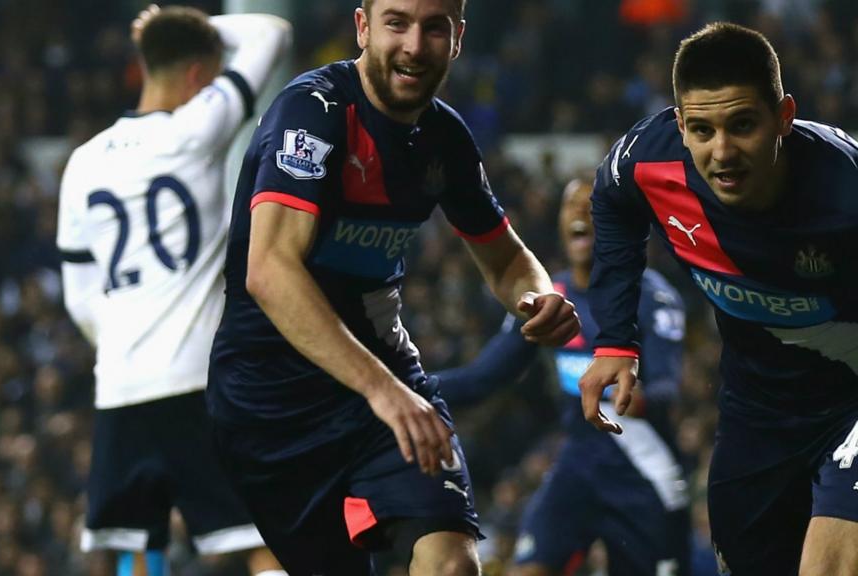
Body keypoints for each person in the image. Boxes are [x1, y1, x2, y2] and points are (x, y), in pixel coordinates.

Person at [205, 0, 580, 574]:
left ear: (457, 38)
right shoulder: (313, 111)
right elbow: (270, 271)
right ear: (363, 27)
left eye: (434, 28)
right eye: (397, 23)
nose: (414, 45)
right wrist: (381, 390)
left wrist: (537, 297)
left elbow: (506, 261)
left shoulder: (444, 138)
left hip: (387, 391)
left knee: (451, 564)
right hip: (274, 401)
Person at [580, 21, 858, 575]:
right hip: (760, 409)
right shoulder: (644, 161)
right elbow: (611, 204)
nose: (722, 152)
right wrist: (615, 340)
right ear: (680, 125)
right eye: (702, 130)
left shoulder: (845, 188)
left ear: (784, 116)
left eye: (743, 125)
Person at [55, 5, 290, 576]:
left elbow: (80, 299)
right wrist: (206, 37)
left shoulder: (81, 165)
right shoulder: (197, 128)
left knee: (138, 545)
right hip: (199, 377)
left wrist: (125, 340)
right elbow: (273, 32)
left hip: (122, 384)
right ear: (195, 76)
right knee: (261, 535)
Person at [433, 178, 691, 576]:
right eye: (570, 206)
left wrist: (635, 397)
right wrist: (404, 387)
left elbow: (667, 389)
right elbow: (483, 378)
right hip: (578, 466)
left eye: (590, 206)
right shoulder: (551, 300)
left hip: (642, 473)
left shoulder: (651, 296)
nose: (579, 213)